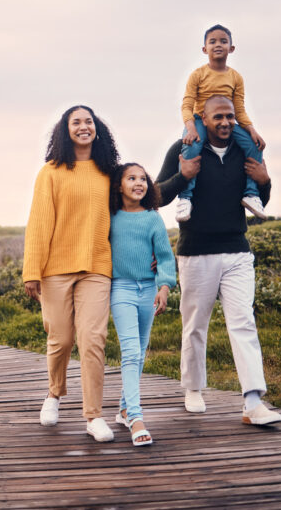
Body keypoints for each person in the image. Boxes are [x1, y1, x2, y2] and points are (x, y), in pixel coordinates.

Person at [156, 95, 281, 425]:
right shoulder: (184, 147)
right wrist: (182, 176)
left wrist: (265, 181)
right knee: (195, 326)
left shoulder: (245, 148)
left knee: (243, 322)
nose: (225, 122)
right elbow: (157, 195)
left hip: (238, 251)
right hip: (196, 252)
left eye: (230, 117)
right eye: (218, 117)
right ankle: (194, 388)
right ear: (204, 118)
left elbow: (257, 200)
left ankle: (253, 402)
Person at [23, 105, 120, 442]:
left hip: (97, 267)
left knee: (92, 340)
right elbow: (39, 224)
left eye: (88, 121)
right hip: (55, 270)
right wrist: (31, 271)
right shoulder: (50, 172)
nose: (83, 127)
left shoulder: (110, 172)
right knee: (60, 339)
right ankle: (54, 394)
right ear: (65, 130)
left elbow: (134, 210)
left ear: (97, 129)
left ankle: (93, 416)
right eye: (76, 122)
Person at [109, 163, 176, 446]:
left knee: (140, 351)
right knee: (131, 352)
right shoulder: (109, 217)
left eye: (143, 179)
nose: (139, 183)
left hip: (148, 289)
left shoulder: (152, 218)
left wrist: (164, 286)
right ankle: (136, 417)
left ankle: (124, 408)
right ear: (119, 186)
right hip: (120, 288)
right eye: (131, 178)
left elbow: (164, 256)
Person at [176, 24, 267, 223]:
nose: (218, 45)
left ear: (231, 48)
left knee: (255, 146)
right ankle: (185, 198)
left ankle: (250, 194)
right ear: (204, 49)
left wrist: (252, 130)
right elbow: (187, 104)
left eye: (223, 41)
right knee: (191, 147)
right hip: (201, 120)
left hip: (228, 121)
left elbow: (239, 109)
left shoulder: (235, 77)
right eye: (213, 42)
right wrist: (191, 127)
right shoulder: (198, 75)